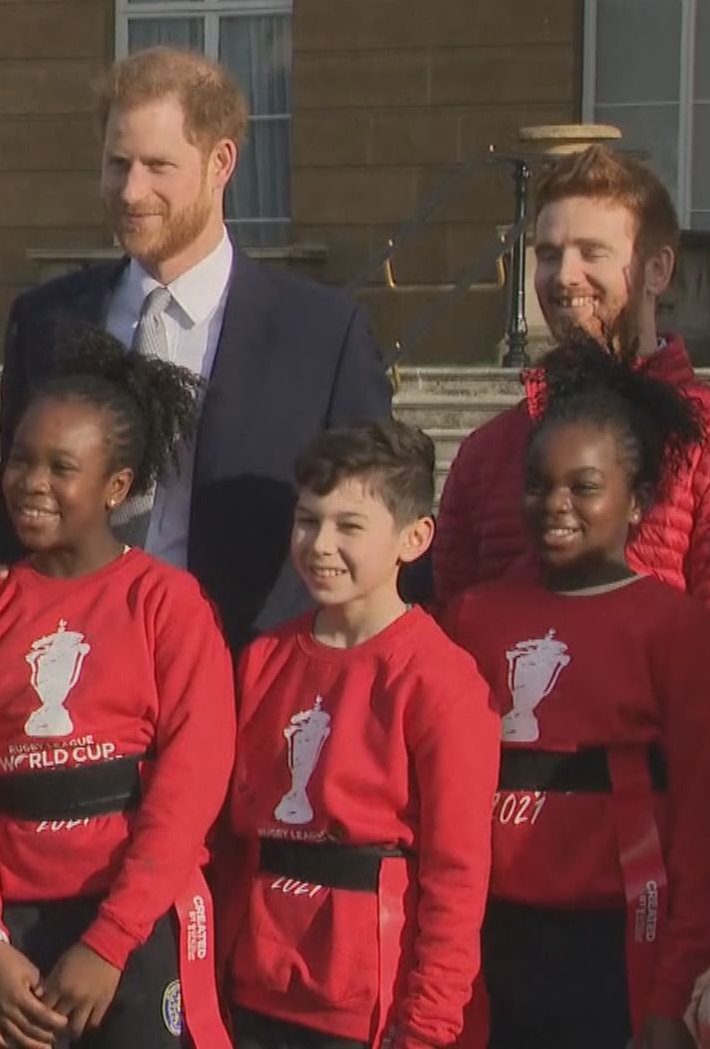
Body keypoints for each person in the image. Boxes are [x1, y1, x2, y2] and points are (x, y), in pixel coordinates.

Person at [0, 46, 392, 651]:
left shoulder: (322, 335)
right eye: (117, 164)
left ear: (220, 162)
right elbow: (13, 498)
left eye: (157, 166)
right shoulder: (46, 321)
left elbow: (376, 514)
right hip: (71, 667)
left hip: (249, 667)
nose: (130, 190)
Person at [443, 343, 710, 1049]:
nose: (556, 506)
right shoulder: (472, 617)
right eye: (539, 485)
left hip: (615, 950)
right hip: (487, 943)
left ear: (637, 501)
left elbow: (707, 836)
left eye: (583, 487)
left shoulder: (680, 632)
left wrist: (674, 997)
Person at [0, 330, 234, 1049]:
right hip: (18, 942)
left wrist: (112, 939)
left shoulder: (168, 604)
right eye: (19, 460)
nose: (32, 482)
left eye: (61, 467)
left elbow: (190, 784)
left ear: (118, 486)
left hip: (135, 927)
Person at [434, 145, 710, 674]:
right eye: (550, 254)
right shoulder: (487, 453)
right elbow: (451, 647)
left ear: (657, 268)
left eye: (591, 253)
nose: (564, 276)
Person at [221, 421, 496, 1049]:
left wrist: (427, 1027)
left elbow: (457, 876)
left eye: (349, 526)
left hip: (368, 1008)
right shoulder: (263, 659)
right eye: (307, 521)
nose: (319, 544)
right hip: (256, 990)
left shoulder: (439, 680)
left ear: (414, 538)